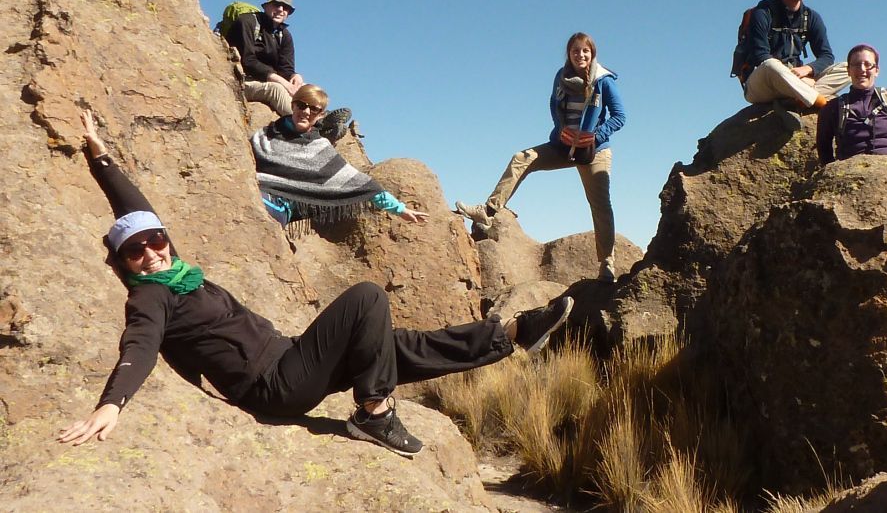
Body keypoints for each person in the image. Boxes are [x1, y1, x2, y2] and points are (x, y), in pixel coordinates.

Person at [59, 109, 573, 457]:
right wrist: (112, 403)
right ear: (124, 262)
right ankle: (375, 412)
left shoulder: (177, 269)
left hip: (289, 357)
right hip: (273, 387)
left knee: (393, 346)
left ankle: (512, 336)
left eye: (155, 241)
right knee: (367, 297)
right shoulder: (152, 293)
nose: (150, 252)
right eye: (136, 251)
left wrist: (101, 155)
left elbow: (137, 208)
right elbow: (140, 344)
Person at [455, 32, 626, 283]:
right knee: (522, 158)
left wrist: (596, 136)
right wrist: (561, 131)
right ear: (569, 53)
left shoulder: (603, 80)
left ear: (592, 54)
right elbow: (553, 105)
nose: (580, 55)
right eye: (575, 50)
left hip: (593, 152)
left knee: (600, 204)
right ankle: (489, 210)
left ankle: (607, 263)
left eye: (585, 51)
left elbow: (620, 116)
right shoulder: (562, 77)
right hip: (563, 145)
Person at [251, 84, 427, 229]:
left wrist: (401, 210)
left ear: (320, 115)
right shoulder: (266, 134)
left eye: (313, 109)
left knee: (255, 207)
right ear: (293, 105)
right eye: (301, 105)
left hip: (279, 207)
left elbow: (361, 184)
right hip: (255, 189)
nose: (306, 112)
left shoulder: (319, 148)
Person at [738, 0, 850, 110]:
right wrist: (794, 78)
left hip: (797, 79)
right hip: (763, 84)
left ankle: (796, 100)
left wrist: (808, 70)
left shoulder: (811, 17)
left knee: (850, 67)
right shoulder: (762, 13)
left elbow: (827, 56)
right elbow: (760, 55)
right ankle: (820, 102)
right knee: (771, 65)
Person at [815, 44, 887, 163]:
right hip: (853, 174)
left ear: (876, 71)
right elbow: (824, 152)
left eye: (868, 65)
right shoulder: (832, 108)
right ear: (848, 70)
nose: (862, 69)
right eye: (856, 64)